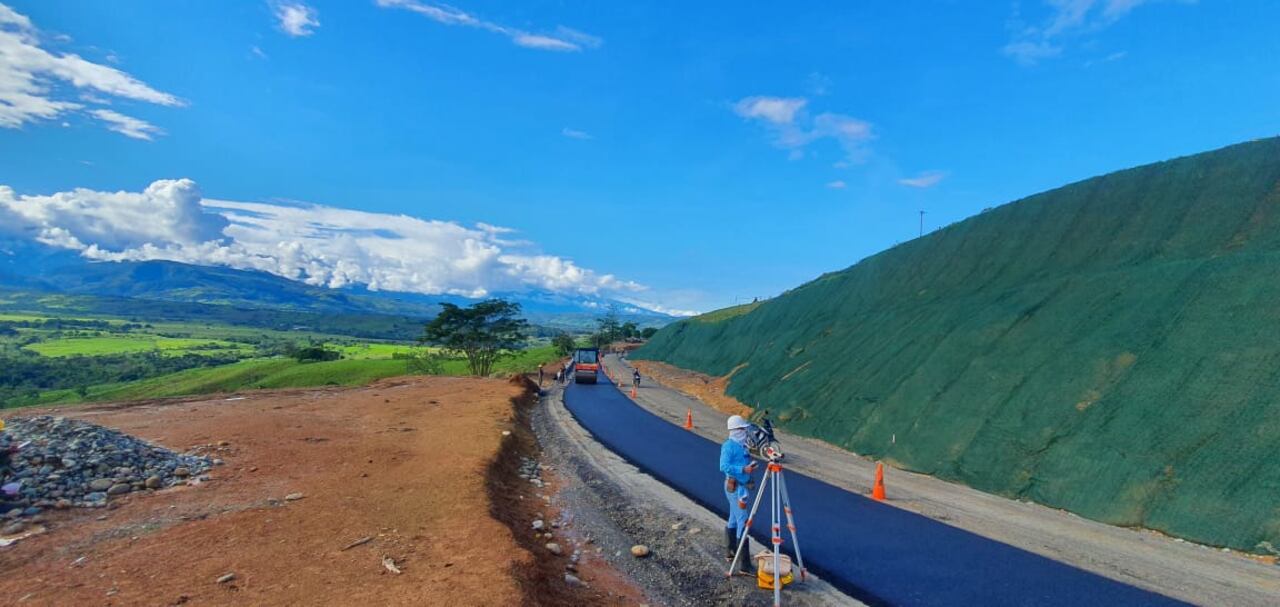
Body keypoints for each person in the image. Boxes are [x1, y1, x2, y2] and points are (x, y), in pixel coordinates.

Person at [720, 414, 757, 573]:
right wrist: (743, 469)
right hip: (734, 487)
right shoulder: (728, 446)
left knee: (734, 517)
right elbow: (723, 466)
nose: (745, 431)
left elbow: (743, 460)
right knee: (743, 519)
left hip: (741, 485)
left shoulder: (742, 445)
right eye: (743, 429)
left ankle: (730, 551)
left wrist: (749, 466)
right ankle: (744, 564)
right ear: (736, 430)